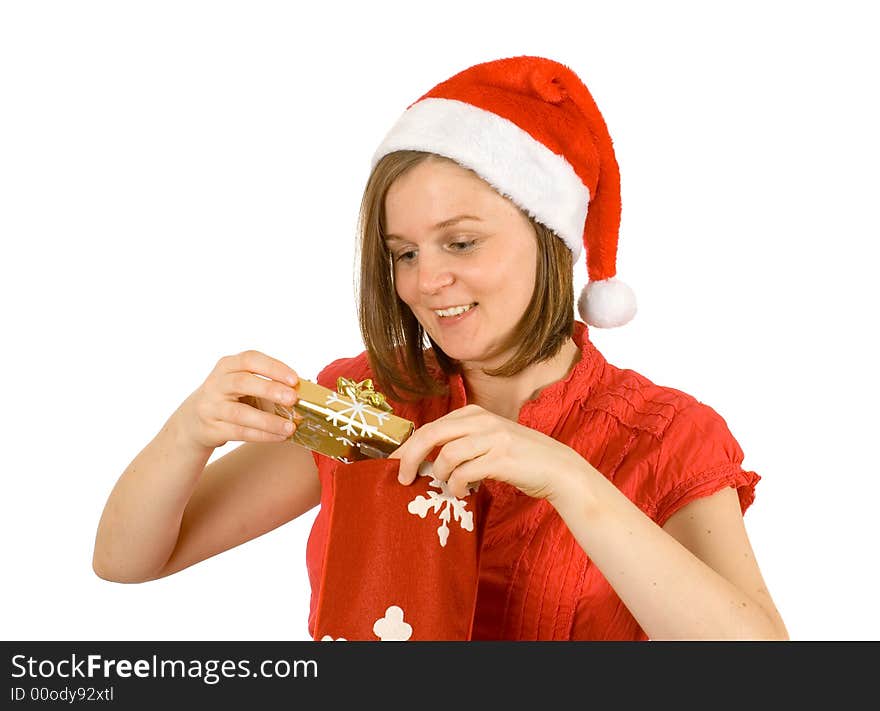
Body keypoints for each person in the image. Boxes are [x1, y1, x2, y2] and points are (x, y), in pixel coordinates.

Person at [93, 55, 788, 641]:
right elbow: (127, 560)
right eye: (403, 253)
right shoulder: (363, 404)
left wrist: (569, 479)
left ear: (550, 239)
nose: (427, 282)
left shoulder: (666, 436)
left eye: (461, 242)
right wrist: (188, 431)